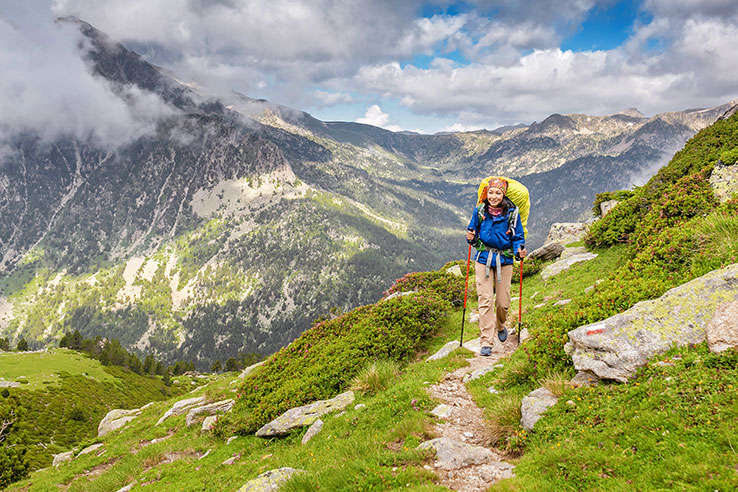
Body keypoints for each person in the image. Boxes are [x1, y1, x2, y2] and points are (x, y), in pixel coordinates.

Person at [465, 177, 526, 356]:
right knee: (485, 300)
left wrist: (519, 251)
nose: (493, 196)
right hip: (483, 258)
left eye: (497, 193)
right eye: (491, 192)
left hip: (504, 260)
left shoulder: (512, 214)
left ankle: (500, 325)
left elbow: (518, 238)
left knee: (502, 303)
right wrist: (471, 237)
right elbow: (472, 230)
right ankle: (486, 341)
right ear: (486, 193)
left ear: (503, 194)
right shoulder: (480, 210)